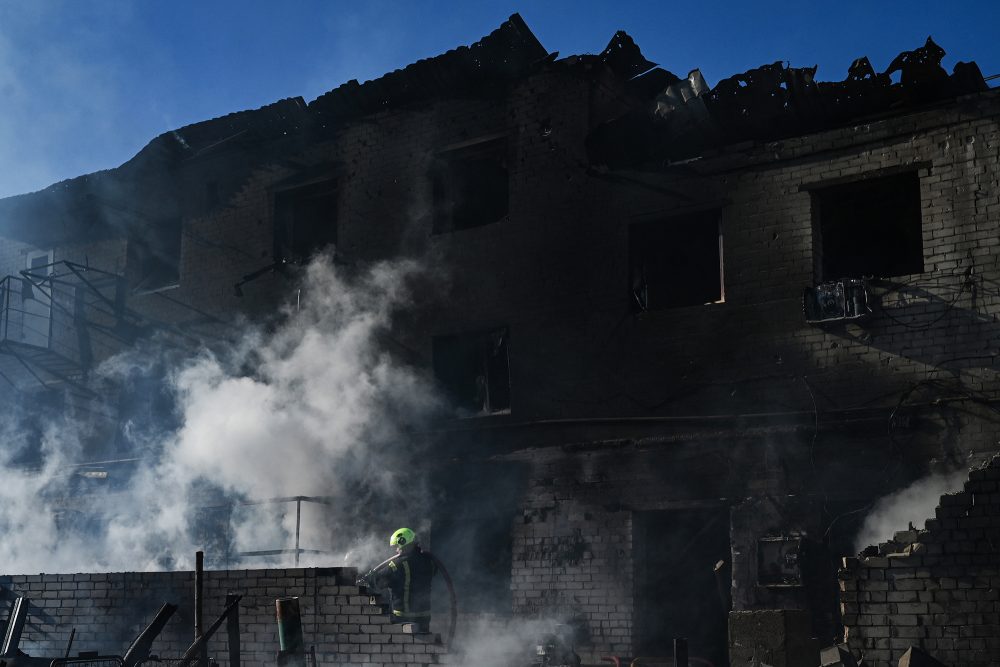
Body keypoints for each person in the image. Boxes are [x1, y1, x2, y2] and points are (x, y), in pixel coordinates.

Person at [376, 527, 437, 633]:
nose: (396, 550)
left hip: (403, 618)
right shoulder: (429, 561)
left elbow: (378, 582)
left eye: (397, 547)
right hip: (424, 618)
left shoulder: (397, 565)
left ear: (403, 543)